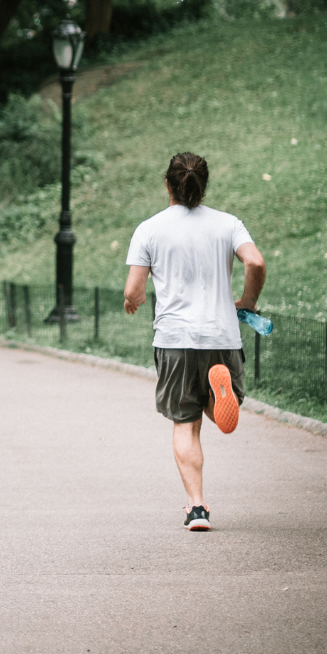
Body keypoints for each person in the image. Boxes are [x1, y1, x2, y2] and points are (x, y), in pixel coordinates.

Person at [123, 152, 266, 531]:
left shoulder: (149, 229)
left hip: (175, 339)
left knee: (184, 422)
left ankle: (197, 508)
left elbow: (134, 289)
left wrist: (131, 301)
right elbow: (255, 262)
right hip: (221, 335)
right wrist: (248, 301)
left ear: (168, 185)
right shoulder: (228, 224)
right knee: (213, 410)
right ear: (203, 186)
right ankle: (219, 394)